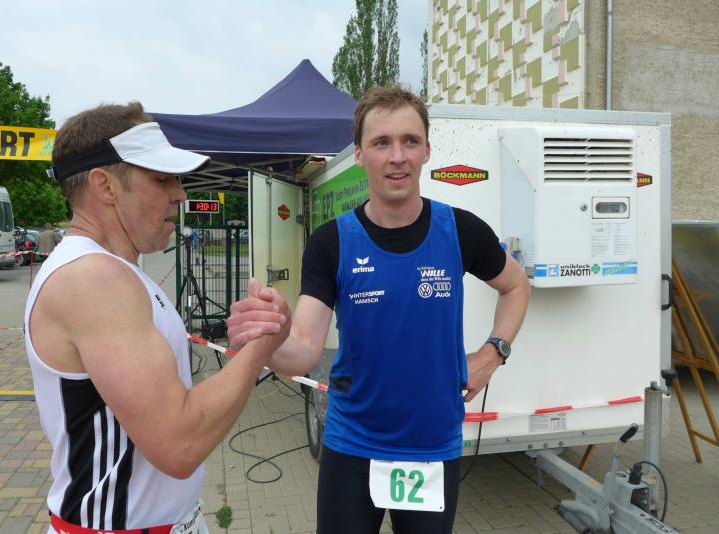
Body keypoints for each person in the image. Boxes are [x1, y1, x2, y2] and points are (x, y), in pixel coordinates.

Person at [227, 86, 531, 534]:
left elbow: (516, 285)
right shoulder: (332, 242)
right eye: (381, 142)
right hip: (353, 444)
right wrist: (270, 337)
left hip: (431, 447)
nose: (397, 156)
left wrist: (493, 353)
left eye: (410, 141)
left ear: (427, 150)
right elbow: (305, 350)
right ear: (359, 155)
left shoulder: (461, 231)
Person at [25, 102, 286, 533]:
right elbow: (180, 444)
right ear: (105, 186)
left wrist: (247, 341)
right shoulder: (94, 278)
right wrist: (261, 345)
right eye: (162, 179)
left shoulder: (115, 269)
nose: (180, 194)